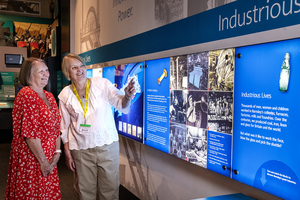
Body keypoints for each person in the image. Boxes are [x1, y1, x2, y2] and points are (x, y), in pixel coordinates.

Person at [58, 53, 135, 200]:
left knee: (110, 190)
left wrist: (127, 96)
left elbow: (121, 104)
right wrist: (67, 152)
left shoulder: (102, 84)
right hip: (80, 149)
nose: (80, 70)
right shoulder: (65, 95)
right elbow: (64, 126)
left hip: (107, 146)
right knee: (84, 191)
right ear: (68, 73)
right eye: (74, 67)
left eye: (81, 66)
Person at [5, 57, 62, 199]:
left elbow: (56, 129)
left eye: (47, 70)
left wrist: (57, 152)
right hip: (33, 158)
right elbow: (30, 134)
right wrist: (43, 162)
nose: (46, 74)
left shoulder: (49, 96)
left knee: (46, 192)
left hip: (48, 158)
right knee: (33, 193)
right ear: (29, 74)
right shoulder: (27, 94)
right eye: (40, 71)